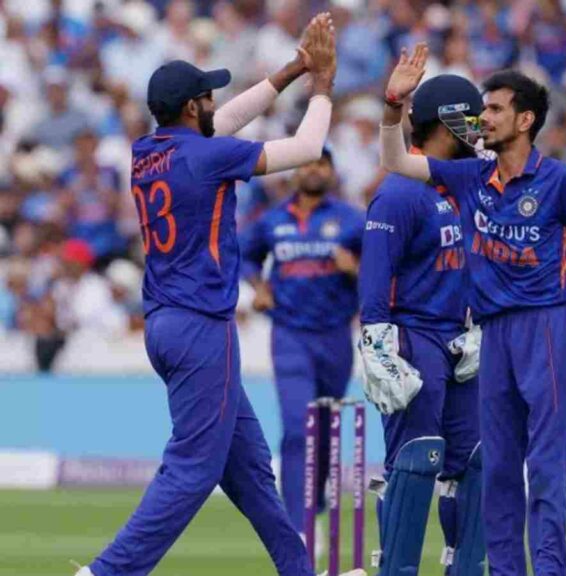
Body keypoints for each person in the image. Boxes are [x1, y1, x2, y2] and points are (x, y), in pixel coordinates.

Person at [76, 14, 366, 576]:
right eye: (207, 97)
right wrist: (323, 84)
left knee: (250, 469)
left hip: (165, 322)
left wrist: (293, 70)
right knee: (193, 468)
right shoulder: (209, 156)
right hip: (201, 325)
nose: (215, 103)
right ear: (192, 107)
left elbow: (223, 121)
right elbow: (308, 147)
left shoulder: (145, 151)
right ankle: (105, 572)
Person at [375, 44, 566, 576]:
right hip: (490, 334)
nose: (483, 117)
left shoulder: (559, 181)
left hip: (544, 328)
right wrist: (394, 105)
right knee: (499, 467)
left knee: (544, 467)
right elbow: (394, 161)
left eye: (496, 109)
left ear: (525, 120)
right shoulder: (469, 176)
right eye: (484, 108)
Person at [358, 74, 486, 576]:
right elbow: (376, 275)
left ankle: (466, 568)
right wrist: (377, 343)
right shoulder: (400, 193)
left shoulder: (464, 185)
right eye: (471, 121)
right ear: (447, 123)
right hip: (414, 338)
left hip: (461, 338)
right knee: (416, 459)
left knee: (475, 460)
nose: (478, 132)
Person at [240, 148, 364, 535]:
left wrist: (356, 269)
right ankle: (298, 527)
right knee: (298, 428)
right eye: (306, 163)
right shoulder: (272, 219)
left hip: (335, 335)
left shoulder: (352, 220)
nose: (313, 170)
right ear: (293, 173)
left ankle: (314, 498)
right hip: (289, 334)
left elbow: (383, 267)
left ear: (331, 171)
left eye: (321, 164)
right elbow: (243, 255)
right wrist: (259, 286)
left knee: (324, 429)